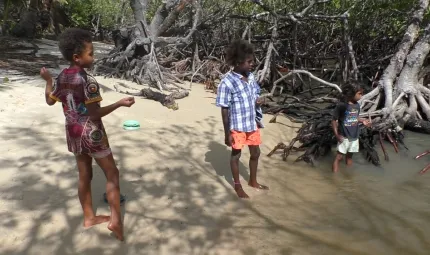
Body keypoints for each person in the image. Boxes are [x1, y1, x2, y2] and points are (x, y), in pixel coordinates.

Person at [40, 28, 134, 241]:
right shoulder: (88, 81)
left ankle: (89, 217)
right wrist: (119, 103)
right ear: (77, 58)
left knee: (85, 175)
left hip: (73, 133)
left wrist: (47, 81)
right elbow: (95, 114)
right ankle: (116, 222)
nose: (94, 56)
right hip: (92, 134)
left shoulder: (62, 76)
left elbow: (49, 100)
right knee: (112, 173)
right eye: (90, 53)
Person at [216, 39, 269, 199]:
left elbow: (255, 94)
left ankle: (253, 180)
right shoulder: (227, 82)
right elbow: (224, 109)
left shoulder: (251, 77)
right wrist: (227, 134)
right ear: (238, 62)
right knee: (236, 155)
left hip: (252, 123)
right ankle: (238, 185)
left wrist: (259, 100)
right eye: (249, 61)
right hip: (237, 126)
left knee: (256, 152)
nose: (252, 64)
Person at [332, 81, 371, 173]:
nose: (361, 96)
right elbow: (334, 120)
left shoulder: (357, 105)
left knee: (349, 157)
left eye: (362, 93)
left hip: (354, 136)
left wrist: (363, 121)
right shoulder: (342, 106)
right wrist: (337, 135)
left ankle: (348, 176)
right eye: (359, 93)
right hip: (344, 137)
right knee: (339, 157)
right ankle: (334, 177)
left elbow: (354, 117)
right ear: (351, 93)